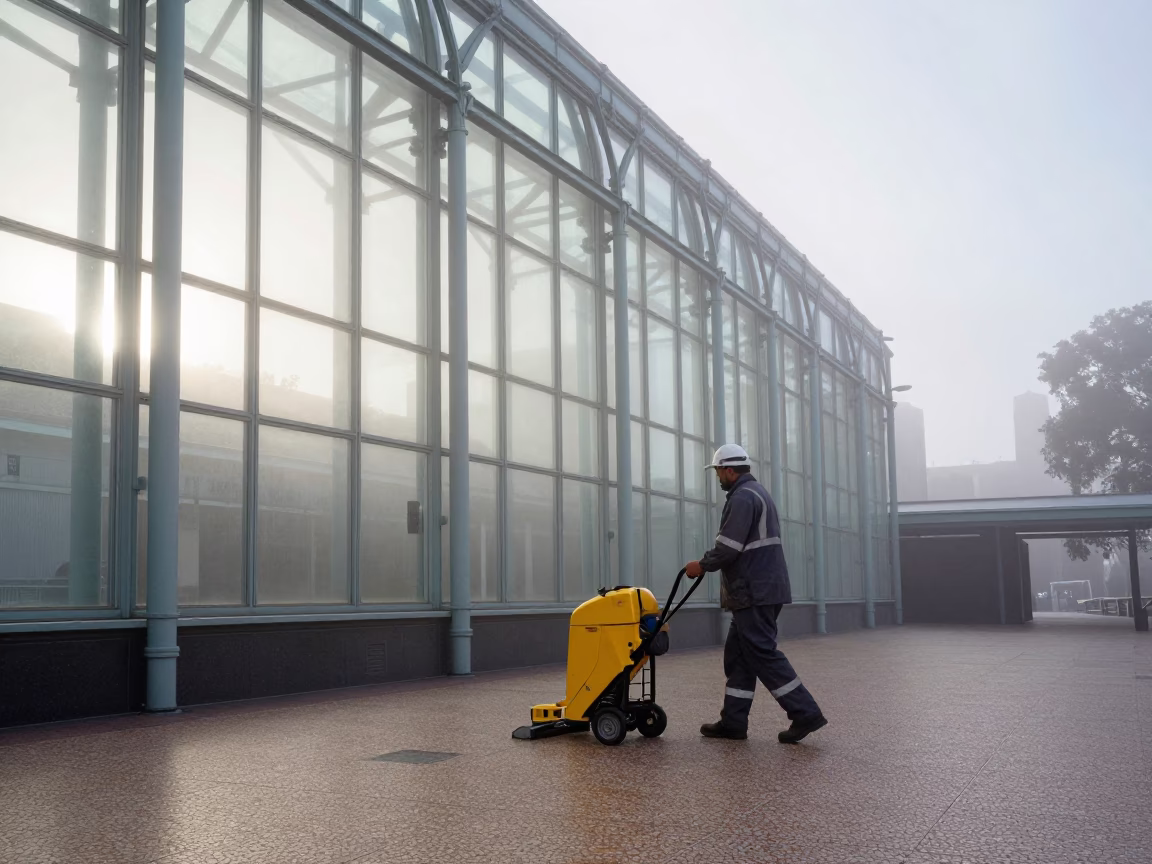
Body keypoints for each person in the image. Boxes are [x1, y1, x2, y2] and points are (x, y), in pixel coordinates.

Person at [685, 444, 827, 743]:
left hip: (753, 591)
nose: (718, 478)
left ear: (729, 470)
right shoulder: (758, 492)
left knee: (762, 653)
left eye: (719, 472)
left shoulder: (742, 497)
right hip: (760, 589)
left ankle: (805, 713)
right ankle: (733, 722)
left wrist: (701, 565)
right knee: (739, 656)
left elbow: (729, 548)